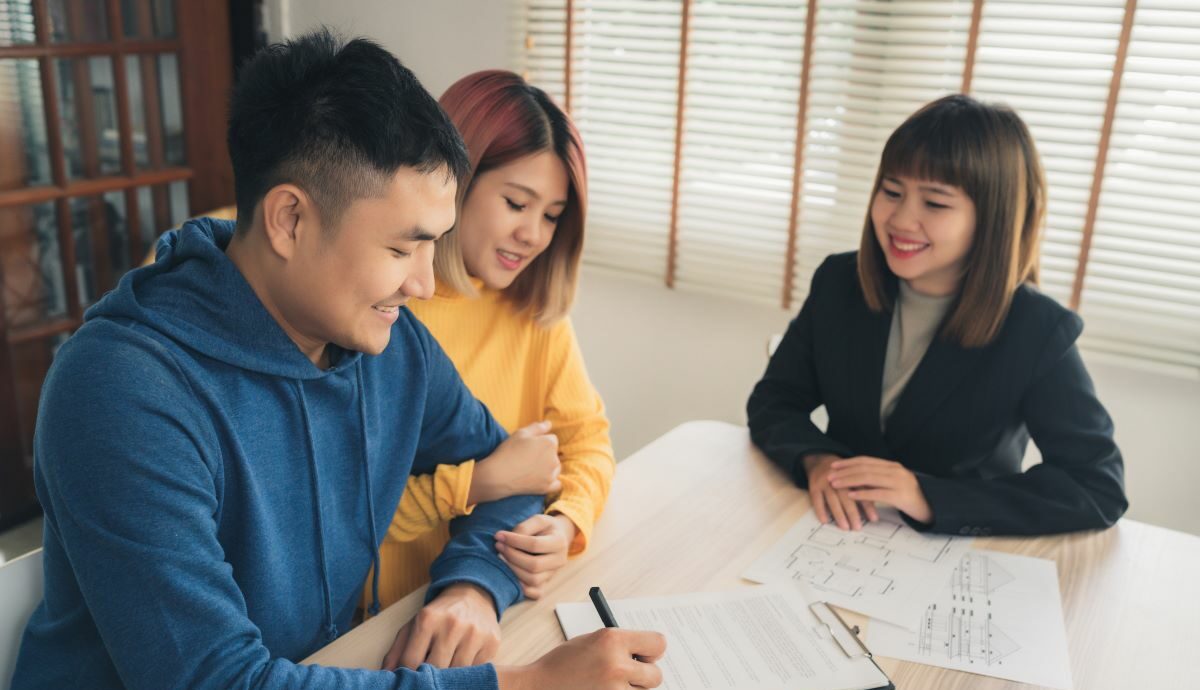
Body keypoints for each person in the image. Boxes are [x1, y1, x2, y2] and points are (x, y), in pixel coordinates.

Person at [13, 30, 664, 690]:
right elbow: (218, 682)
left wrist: (473, 584)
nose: (424, 285)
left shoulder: (386, 345)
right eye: (403, 248)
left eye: (432, 245)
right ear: (290, 220)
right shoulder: (122, 392)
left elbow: (516, 476)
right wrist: (527, 684)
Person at [747, 94, 1128, 537]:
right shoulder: (839, 282)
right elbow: (774, 402)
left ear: (991, 220)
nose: (901, 219)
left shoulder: (1036, 330)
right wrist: (816, 459)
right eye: (891, 192)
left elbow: (1097, 487)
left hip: (961, 555)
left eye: (936, 203)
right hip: (835, 536)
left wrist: (927, 496)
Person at [369, 72, 615, 645]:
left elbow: (588, 442)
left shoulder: (534, 314)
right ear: (453, 180)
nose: (532, 234)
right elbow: (351, 512)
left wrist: (565, 521)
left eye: (552, 215)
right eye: (515, 203)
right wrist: (478, 482)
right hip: (384, 621)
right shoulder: (383, 307)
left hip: (492, 603)